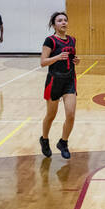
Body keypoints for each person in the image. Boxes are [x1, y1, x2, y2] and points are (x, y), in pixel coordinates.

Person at [39, 10, 79, 159]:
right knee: (51, 115)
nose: (63, 22)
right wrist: (56, 57)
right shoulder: (50, 41)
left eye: (65, 20)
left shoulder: (72, 40)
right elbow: (43, 62)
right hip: (54, 81)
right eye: (59, 20)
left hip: (69, 80)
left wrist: (77, 60)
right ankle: (44, 139)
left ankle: (63, 142)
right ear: (54, 25)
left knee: (71, 114)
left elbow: (71, 57)